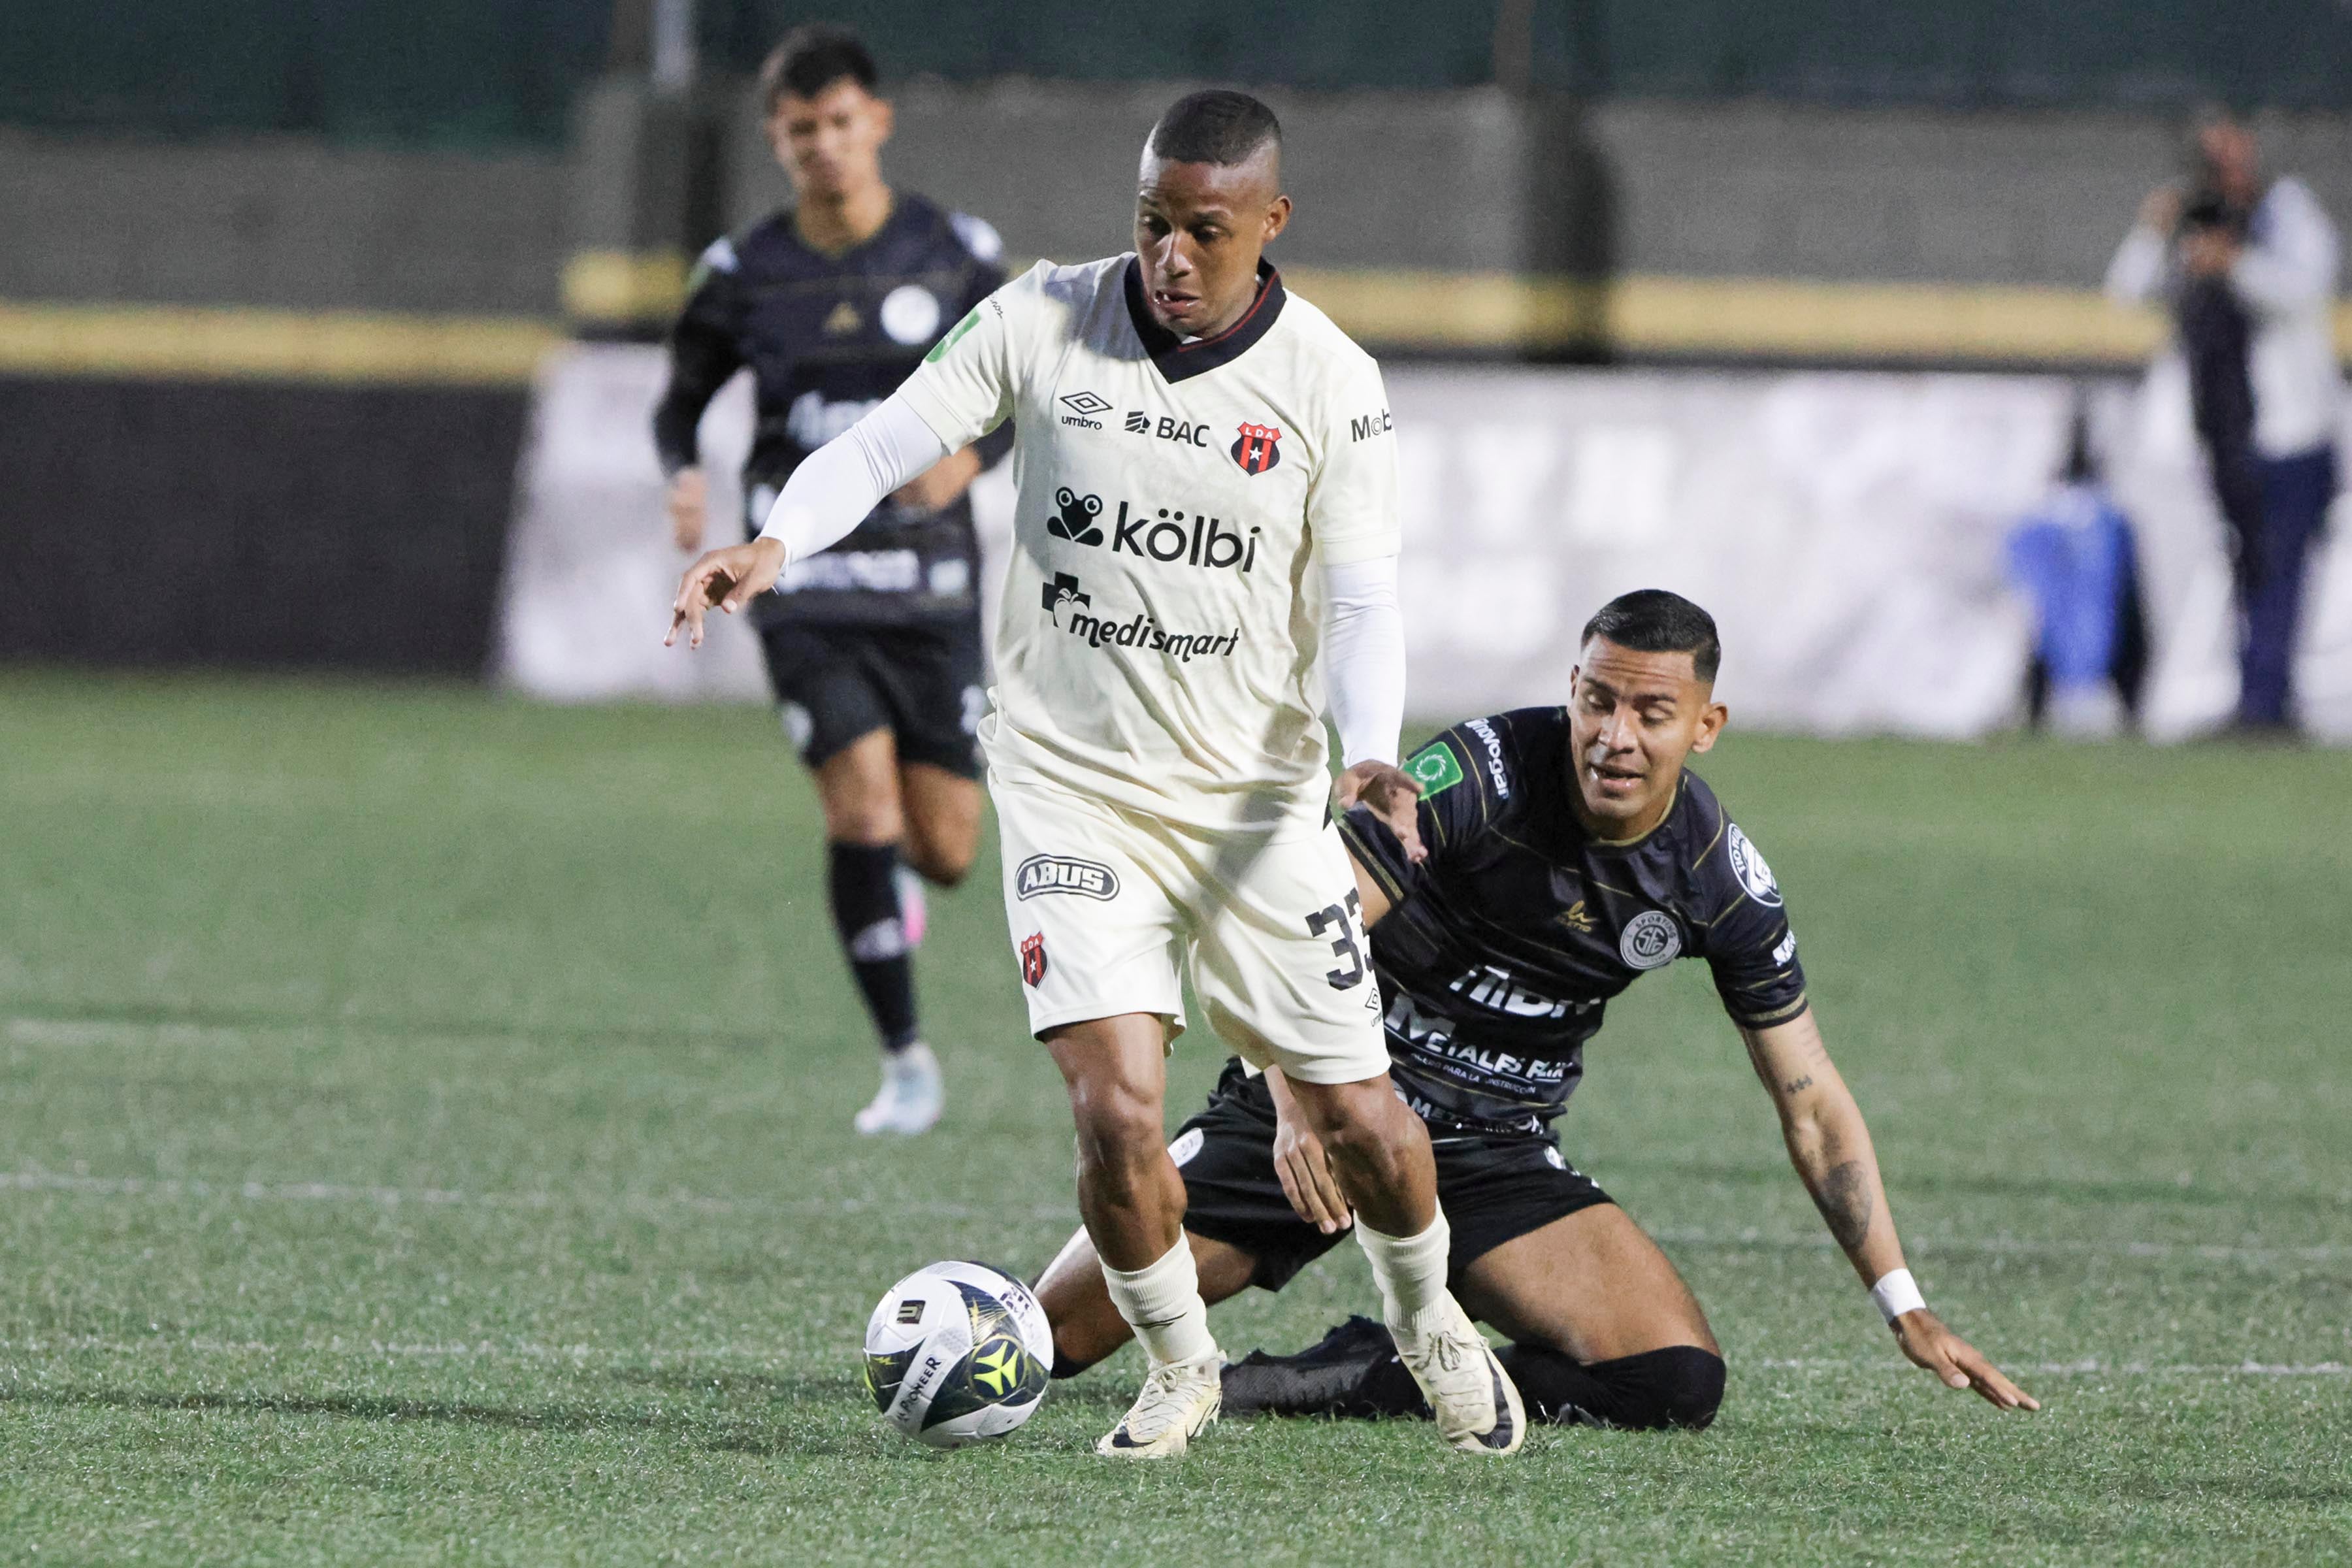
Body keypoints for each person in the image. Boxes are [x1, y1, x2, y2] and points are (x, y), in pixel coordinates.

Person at [668, 90, 1527, 1458]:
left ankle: (1428, 1323)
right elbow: (894, 436)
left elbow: (1364, 604)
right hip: (1071, 788)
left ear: (1270, 224)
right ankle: (1181, 1365)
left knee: (1366, 1121)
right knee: (1115, 1106)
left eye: (1205, 229)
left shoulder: (1329, 381)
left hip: (1254, 806)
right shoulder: (1042, 314)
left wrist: (1373, 751)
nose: (1172, 255)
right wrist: (778, 541)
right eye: (1151, 223)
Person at [1036, 591, 2041, 1431]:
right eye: (1597, 701)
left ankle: (1351, 1373)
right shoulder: (1482, 773)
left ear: (1706, 725)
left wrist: (1902, 1302)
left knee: (1672, 1380)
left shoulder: (1718, 880)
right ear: (1571, 690)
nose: (1614, 737)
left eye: (1651, 713)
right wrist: (1295, 1093)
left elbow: (1811, 1096)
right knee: (1057, 1342)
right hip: (1334, 1103)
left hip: (1488, 1149)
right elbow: (1300, 928)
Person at [651, 26, 1012, 1135]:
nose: (823, 145)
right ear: (777, 139)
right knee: (858, 804)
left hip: (933, 586)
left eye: (841, 123)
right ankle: (906, 1064)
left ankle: (890, 882)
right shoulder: (743, 270)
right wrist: (681, 477)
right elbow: (682, 396)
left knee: (946, 848)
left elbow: (1023, 387)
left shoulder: (954, 251)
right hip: (800, 579)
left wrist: (974, 455)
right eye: (801, 130)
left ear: (878, 125)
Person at [2108, 108, 2343, 737]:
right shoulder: (2193, 218)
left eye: (2233, 150)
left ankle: (2268, 704)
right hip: (2223, 432)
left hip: (2295, 432)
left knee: (2283, 568)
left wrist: (2234, 263)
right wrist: (2156, 232)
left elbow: (2307, 289)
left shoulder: (2285, 214)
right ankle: (2253, 697)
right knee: (2246, 569)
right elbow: (2126, 293)